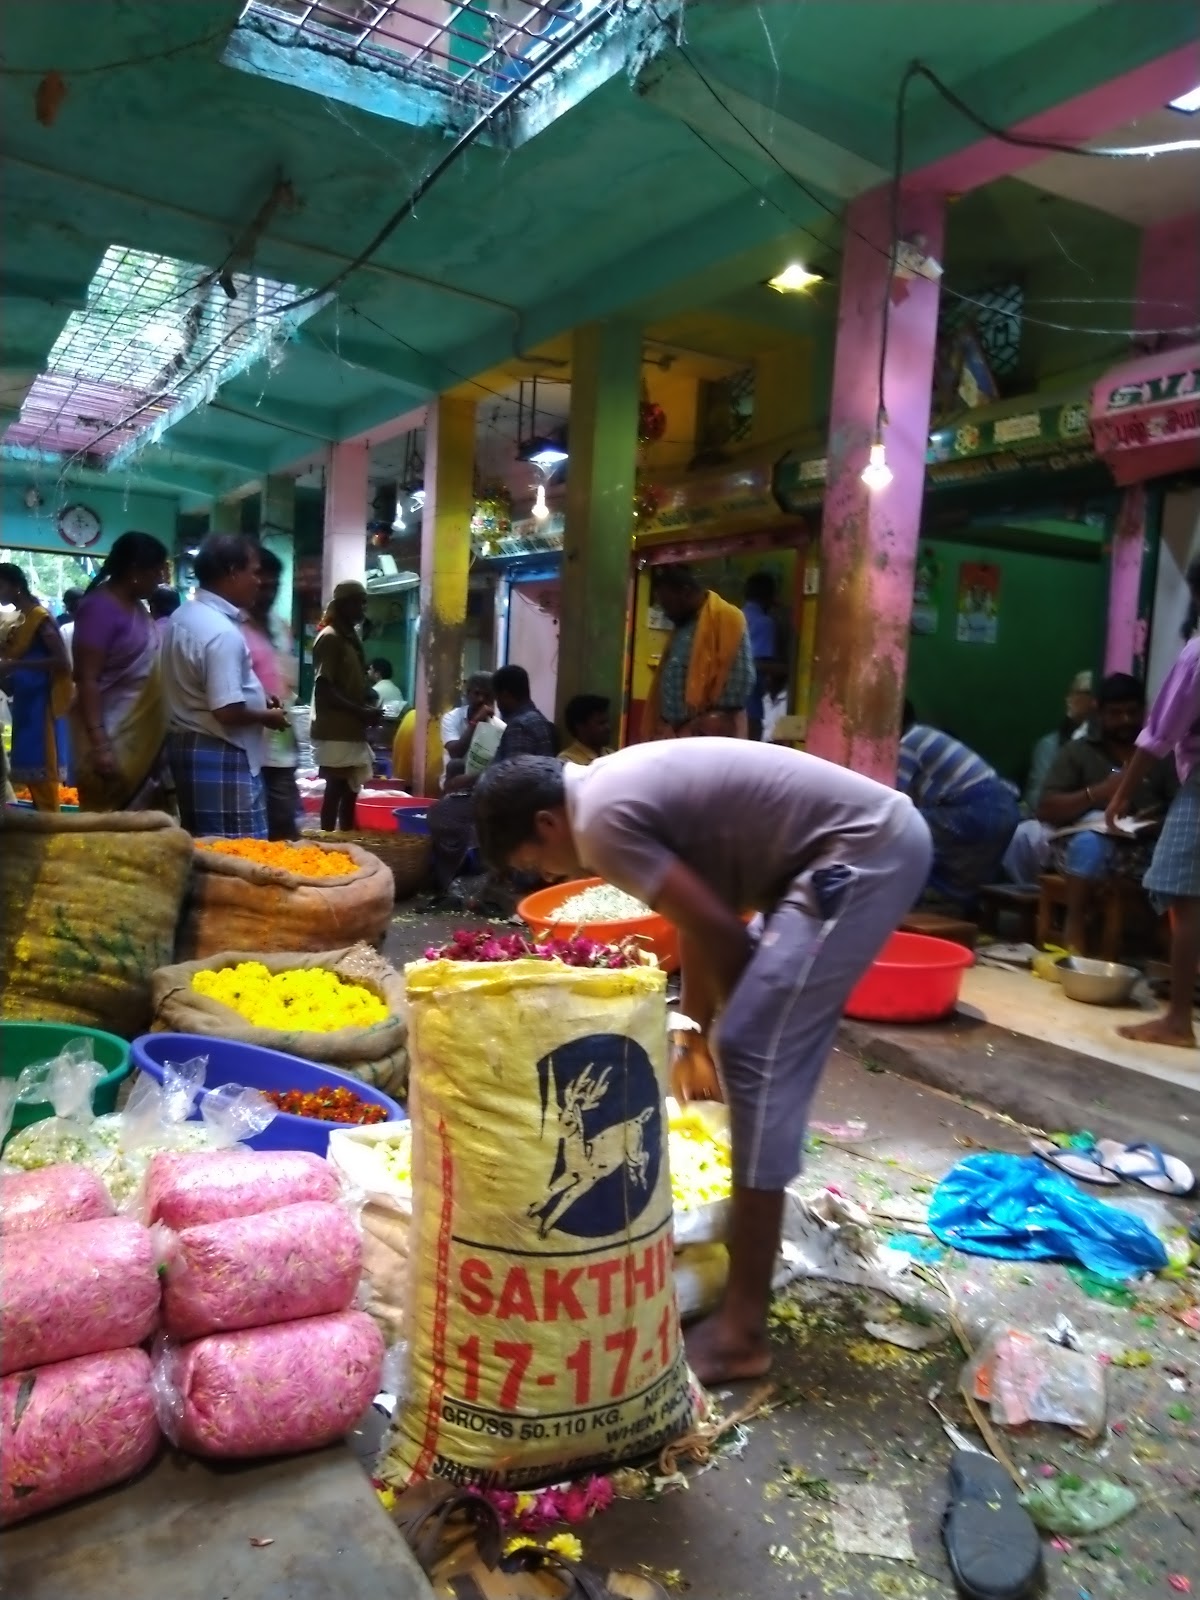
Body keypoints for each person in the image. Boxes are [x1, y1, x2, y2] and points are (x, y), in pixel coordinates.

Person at [472, 742, 931, 1384]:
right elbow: (697, 913)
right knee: (745, 1041)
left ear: (548, 823)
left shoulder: (600, 822)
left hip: (863, 851)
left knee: (757, 1046)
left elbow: (723, 929)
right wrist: (694, 1034)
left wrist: (746, 1034)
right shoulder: (607, 794)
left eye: (537, 862)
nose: (549, 876)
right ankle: (749, 1276)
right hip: (825, 860)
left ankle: (743, 1330)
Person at [1107, 557, 1200, 1047]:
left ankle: (1178, 1020)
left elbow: (1157, 738)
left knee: (1183, 897)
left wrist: (1120, 795)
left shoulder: (1197, 655)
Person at [1037, 672, 1177, 952]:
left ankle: (1170, 946)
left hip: (1142, 847)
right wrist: (1098, 793)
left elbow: (1179, 810)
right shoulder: (1079, 752)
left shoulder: (1160, 756)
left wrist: (1152, 824)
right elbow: (1046, 809)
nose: (1125, 720)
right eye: (1115, 713)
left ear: (1144, 710)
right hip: (1082, 845)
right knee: (1090, 842)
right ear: (1098, 712)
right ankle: (1074, 927)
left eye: (1132, 712)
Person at [161, 534, 287, 838]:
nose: (259, 581)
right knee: (238, 856)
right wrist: (266, 716)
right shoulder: (220, 632)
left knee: (206, 851)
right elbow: (226, 710)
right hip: (220, 749)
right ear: (232, 572)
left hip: (190, 745)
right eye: (254, 572)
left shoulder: (185, 615)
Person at [427, 664, 555, 895]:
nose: (485, 701)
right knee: (452, 792)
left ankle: (457, 881)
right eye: (476, 693)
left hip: (519, 803)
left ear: (504, 696)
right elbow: (459, 753)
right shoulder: (534, 719)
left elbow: (514, 777)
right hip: (525, 795)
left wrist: (469, 781)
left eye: (492, 696)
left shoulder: (518, 725)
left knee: (442, 814)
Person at [70, 530, 171, 812]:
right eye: (156, 571)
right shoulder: (99, 608)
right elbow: (87, 679)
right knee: (112, 829)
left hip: (143, 739)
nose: (161, 579)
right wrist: (100, 745)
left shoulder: (138, 608)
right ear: (135, 571)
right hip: (112, 737)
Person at [898, 704, 1020, 910]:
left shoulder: (907, 743)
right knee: (958, 880)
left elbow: (893, 801)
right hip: (1005, 810)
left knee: (906, 831)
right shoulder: (925, 735)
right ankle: (953, 909)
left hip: (978, 809)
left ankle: (908, 908)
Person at [644, 565, 755, 739]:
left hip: (709, 732)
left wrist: (697, 724)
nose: (666, 612)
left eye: (667, 604)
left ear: (685, 592)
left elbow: (739, 683)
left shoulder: (727, 617)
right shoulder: (684, 625)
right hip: (677, 732)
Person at [311, 580, 381, 833]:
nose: (362, 608)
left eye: (364, 602)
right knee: (336, 789)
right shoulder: (330, 638)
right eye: (357, 602)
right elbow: (324, 688)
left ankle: (348, 842)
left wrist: (368, 704)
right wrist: (359, 711)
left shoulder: (350, 638)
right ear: (341, 606)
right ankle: (328, 843)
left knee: (351, 789)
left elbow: (350, 683)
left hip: (352, 728)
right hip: (335, 729)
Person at [0, 564, 72, 811]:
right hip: (26, 699)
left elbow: (62, 661)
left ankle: (53, 833)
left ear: (16, 586)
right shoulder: (20, 617)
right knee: (32, 774)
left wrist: (15, 665)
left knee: (43, 771)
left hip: (41, 702)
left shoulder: (38, 617)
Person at [242, 547, 301, 840]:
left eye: (274, 586)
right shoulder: (231, 626)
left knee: (283, 821)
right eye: (262, 584)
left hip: (280, 747)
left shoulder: (281, 627)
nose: (268, 593)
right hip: (242, 744)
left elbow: (286, 685)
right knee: (249, 831)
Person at [1024, 669, 1096, 809]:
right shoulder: (1049, 745)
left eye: (1090, 694)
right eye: (1083, 694)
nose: (1089, 701)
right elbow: (1036, 799)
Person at [742, 572, 789, 741]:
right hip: (750, 704)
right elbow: (757, 663)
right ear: (771, 596)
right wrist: (789, 669)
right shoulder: (764, 622)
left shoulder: (737, 617)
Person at [440, 672, 499, 786]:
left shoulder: (499, 724)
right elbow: (455, 753)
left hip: (483, 786)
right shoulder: (452, 718)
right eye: (476, 694)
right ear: (467, 694)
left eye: (487, 695)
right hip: (453, 783)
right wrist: (475, 722)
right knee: (456, 764)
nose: (481, 699)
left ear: (494, 698)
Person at [559, 693, 613, 766]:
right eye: (601, 723)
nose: (608, 727)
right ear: (580, 726)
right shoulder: (567, 761)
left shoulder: (612, 755)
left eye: (607, 722)